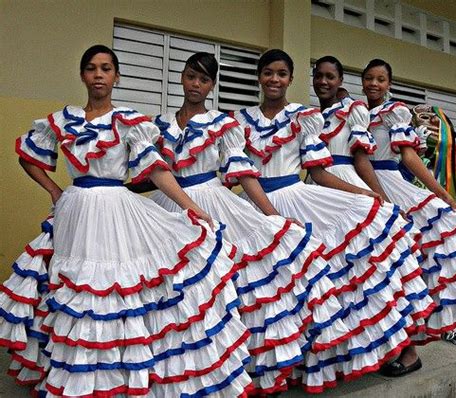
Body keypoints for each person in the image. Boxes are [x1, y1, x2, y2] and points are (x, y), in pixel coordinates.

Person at [0, 45, 253, 397]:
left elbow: (156, 170)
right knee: (75, 289)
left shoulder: (130, 122)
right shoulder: (61, 120)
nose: (99, 75)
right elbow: (29, 156)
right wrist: (54, 191)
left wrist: (191, 207)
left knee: (113, 289)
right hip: (75, 211)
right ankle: (78, 376)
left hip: (115, 209)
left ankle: (115, 377)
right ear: (82, 75)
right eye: (91, 68)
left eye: (106, 68)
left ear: (117, 76)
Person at [129, 52, 351, 396]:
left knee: (222, 287)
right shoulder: (159, 125)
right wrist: (116, 193)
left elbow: (243, 173)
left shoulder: (223, 124)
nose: (196, 85)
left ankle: (232, 368)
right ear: (182, 78)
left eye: (203, 80)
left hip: (213, 203)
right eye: (191, 77)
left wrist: (270, 215)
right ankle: (176, 370)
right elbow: (155, 175)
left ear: (212, 86)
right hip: (171, 206)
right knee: (172, 289)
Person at [233, 49, 433, 392]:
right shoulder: (237, 120)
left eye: (282, 73)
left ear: (291, 79)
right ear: (259, 76)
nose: (274, 79)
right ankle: (280, 366)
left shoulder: (303, 117)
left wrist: (365, 196)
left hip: (298, 198)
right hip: (253, 203)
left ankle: (403, 347)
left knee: (344, 277)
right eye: (268, 72)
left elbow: (319, 172)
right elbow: (236, 173)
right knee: (268, 291)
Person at [360, 58, 456, 359]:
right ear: (361, 82)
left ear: (389, 84)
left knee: (417, 256)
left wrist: (442, 194)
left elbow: (409, 158)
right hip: (359, 185)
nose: (374, 83)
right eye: (369, 78)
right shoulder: (356, 114)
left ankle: (423, 333)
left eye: (380, 79)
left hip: (391, 183)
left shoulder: (395, 112)